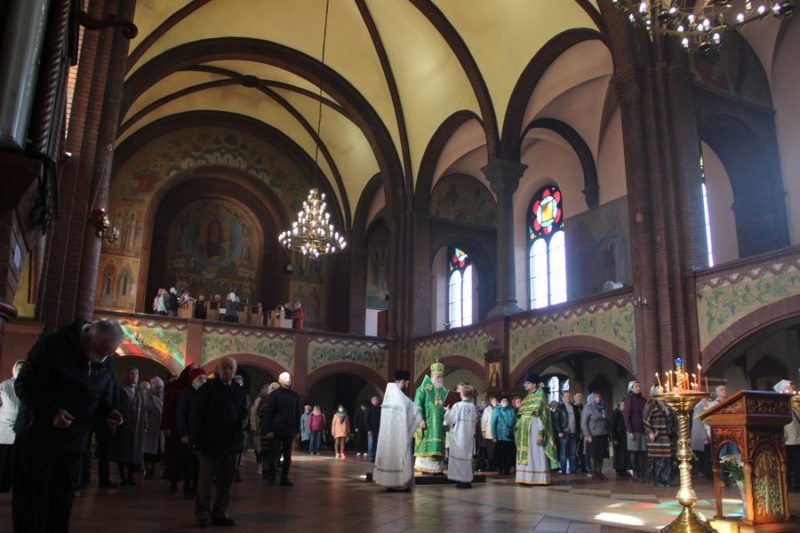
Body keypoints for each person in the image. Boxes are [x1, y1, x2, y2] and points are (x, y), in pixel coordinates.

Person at [12, 319, 124, 533]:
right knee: (31, 499)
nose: (101, 359)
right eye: (99, 353)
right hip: (39, 438)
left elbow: (98, 394)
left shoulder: (104, 358)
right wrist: (52, 412)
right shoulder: (52, 346)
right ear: (89, 336)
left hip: (74, 443)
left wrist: (108, 411)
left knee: (62, 501)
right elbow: (24, 385)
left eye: (107, 355)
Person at [191, 357, 248, 527]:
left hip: (231, 442)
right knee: (205, 481)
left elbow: (243, 413)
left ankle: (220, 512)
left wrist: (244, 422)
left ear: (235, 370)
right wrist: (197, 442)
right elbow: (197, 416)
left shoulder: (239, 390)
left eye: (231, 368)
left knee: (227, 481)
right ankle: (203, 514)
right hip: (210, 442)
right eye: (224, 368)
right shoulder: (208, 389)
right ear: (218, 370)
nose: (228, 371)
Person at [374, 370, 423, 491]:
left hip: (389, 436)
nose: (407, 385)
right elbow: (412, 409)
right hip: (399, 435)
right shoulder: (399, 397)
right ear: (402, 381)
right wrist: (419, 419)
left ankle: (389, 483)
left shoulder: (389, 394)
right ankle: (399, 483)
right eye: (407, 383)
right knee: (400, 456)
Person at [514, 373, 559, 485]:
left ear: (534, 384)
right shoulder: (526, 397)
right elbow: (521, 414)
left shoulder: (541, 396)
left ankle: (537, 478)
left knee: (535, 453)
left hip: (534, 430)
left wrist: (540, 433)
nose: (525, 385)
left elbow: (543, 417)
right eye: (525, 383)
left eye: (528, 383)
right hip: (524, 432)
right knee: (527, 453)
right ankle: (525, 477)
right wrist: (518, 425)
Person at [261, 372, 301, 486]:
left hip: (289, 429)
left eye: (289, 377)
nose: (288, 379)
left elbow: (297, 414)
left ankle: (284, 478)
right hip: (276, 429)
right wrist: (269, 429)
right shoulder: (274, 395)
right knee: (273, 454)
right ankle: (272, 477)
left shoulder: (294, 395)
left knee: (287, 456)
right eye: (285, 377)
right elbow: (269, 413)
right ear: (279, 380)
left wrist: (297, 430)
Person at [162, 364, 195, 493]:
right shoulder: (175, 387)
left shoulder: (195, 388)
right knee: (176, 456)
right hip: (175, 427)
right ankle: (174, 481)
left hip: (190, 428)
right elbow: (168, 408)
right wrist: (166, 426)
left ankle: (188, 482)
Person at [175, 368, 206, 499]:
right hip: (190, 433)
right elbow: (181, 414)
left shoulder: (205, 393)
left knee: (200, 464)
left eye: (204, 378)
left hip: (202, 434)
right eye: (200, 378)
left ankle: (197, 488)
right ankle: (187, 487)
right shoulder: (186, 393)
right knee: (189, 462)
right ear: (193, 380)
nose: (203, 381)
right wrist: (183, 433)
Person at [414, 362, 449, 473]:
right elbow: (417, 405)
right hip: (427, 424)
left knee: (438, 447)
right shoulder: (422, 389)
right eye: (437, 377)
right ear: (432, 376)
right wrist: (420, 420)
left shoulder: (444, 391)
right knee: (426, 445)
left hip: (439, 426)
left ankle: (437, 467)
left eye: (441, 377)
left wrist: (447, 411)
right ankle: (425, 468)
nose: (440, 379)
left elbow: (443, 407)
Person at [112, 367, 143, 486]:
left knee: (133, 452)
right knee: (122, 451)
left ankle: (130, 476)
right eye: (132, 373)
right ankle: (122, 476)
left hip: (136, 425)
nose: (135, 376)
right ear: (127, 375)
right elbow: (117, 405)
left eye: (137, 374)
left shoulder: (139, 390)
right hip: (124, 424)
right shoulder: (121, 389)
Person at [444, 383, 478, 488]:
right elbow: (475, 420)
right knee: (467, 458)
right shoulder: (472, 406)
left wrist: (447, 411)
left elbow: (449, 420)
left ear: (462, 393)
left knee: (458, 458)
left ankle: (460, 480)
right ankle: (467, 480)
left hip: (459, 435)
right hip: (469, 435)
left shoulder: (457, 405)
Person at [0, 360, 23, 492]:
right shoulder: (4, 385)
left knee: (18, 457)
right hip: (5, 425)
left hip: (22, 425)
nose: (20, 371)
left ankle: (15, 483)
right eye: (19, 368)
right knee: (5, 456)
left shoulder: (29, 385)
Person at [644, 387, 673, 488]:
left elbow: (671, 418)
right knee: (658, 459)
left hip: (665, 435)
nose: (663, 392)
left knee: (666, 459)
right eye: (660, 391)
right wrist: (650, 432)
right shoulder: (651, 404)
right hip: (656, 437)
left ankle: (665, 479)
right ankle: (658, 480)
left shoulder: (666, 404)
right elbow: (646, 420)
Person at [774, 380, 799, 492]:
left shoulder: (794, 403)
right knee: (790, 464)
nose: (792, 389)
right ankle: (788, 485)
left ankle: (797, 485)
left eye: (792, 387)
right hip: (788, 440)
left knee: (797, 464)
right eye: (789, 387)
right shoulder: (779, 405)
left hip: (797, 438)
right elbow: (779, 422)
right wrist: (783, 434)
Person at [581, 392, 609, 480]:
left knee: (601, 456)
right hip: (593, 436)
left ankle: (599, 472)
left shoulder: (602, 408)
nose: (598, 398)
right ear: (592, 398)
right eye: (596, 397)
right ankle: (594, 473)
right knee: (594, 456)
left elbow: (606, 420)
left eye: (599, 397)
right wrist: (587, 435)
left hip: (602, 435)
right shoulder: (588, 408)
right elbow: (583, 423)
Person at [623, 380, 648, 482]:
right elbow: (626, 416)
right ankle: (635, 474)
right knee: (634, 452)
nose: (638, 388)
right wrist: (630, 430)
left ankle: (642, 473)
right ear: (631, 389)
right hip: (633, 430)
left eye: (639, 386)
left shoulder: (643, 399)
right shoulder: (629, 400)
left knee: (642, 452)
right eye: (636, 386)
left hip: (643, 429)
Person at [141, 377, 164, 480]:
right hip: (149, 427)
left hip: (158, 429)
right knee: (147, 451)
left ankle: (153, 470)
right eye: (157, 388)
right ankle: (146, 469)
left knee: (156, 451)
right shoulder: (146, 396)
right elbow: (146, 409)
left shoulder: (162, 396)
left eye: (160, 388)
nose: (159, 390)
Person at [553, 391, 579, 475]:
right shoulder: (560, 407)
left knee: (573, 453)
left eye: (569, 396)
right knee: (563, 453)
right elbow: (556, 420)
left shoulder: (574, 408)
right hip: (564, 433)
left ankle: (573, 469)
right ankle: (563, 469)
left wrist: (579, 431)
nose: (568, 397)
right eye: (566, 396)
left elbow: (578, 420)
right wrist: (559, 431)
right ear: (563, 398)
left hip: (574, 433)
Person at [249, 384, 272, 475]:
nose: (267, 391)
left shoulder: (270, 400)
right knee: (258, 448)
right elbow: (253, 414)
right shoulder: (258, 401)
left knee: (265, 448)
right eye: (265, 389)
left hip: (266, 428)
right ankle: (259, 464)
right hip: (259, 428)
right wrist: (253, 426)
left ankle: (266, 466)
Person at [491, 396, 517, 475]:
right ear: (500, 402)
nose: (505, 402)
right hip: (500, 436)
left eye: (506, 400)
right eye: (503, 400)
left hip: (509, 436)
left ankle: (507, 469)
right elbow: (493, 424)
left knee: (508, 454)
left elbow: (515, 422)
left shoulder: (511, 410)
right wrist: (494, 436)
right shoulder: (496, 410)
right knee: (500, 454)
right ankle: (500, 468)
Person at [691, 396, 711, 479]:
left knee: (703, 456)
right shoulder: (699, 408)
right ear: (703, 400)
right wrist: (704, 437)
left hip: (701, 436)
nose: (708, 403)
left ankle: (704, 471)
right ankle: (705, 473)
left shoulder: (699, 407)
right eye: (707, 400)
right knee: (704, 456)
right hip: (702, 437)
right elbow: (699, 424)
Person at [610, 399, 629, 477]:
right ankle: (620, 470)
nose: (624, 407)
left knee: (623, 453)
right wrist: (614, 438)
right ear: (619, 406)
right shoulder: (616, 413)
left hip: (623, 437)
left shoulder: (623, 413)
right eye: (622, 405)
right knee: (619, 453)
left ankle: (623, 469)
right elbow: (613, 426)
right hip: (618, 437)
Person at [480, 396, 496, 472]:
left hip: (497, 433)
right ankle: (490, 466)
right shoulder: (487, 410)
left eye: (496, 401)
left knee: (495, 450)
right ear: (490, 402)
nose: (495, 402)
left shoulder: (498, 408)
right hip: (489, 433)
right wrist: (483, 431)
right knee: (490, 450)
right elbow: (483, 421)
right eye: (493, 401)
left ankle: (495, 465)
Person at [366, 395, 381, 461]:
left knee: (377, 443)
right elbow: (366, 419)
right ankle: (370, 456)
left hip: (378, 429)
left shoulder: (380, 408)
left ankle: (375, 456)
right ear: (371, 401)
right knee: (371, 443)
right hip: (371, 429)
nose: (375, 401)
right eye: (374, 400)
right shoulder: (369, 409)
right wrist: (369, 429)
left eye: (376, 400)